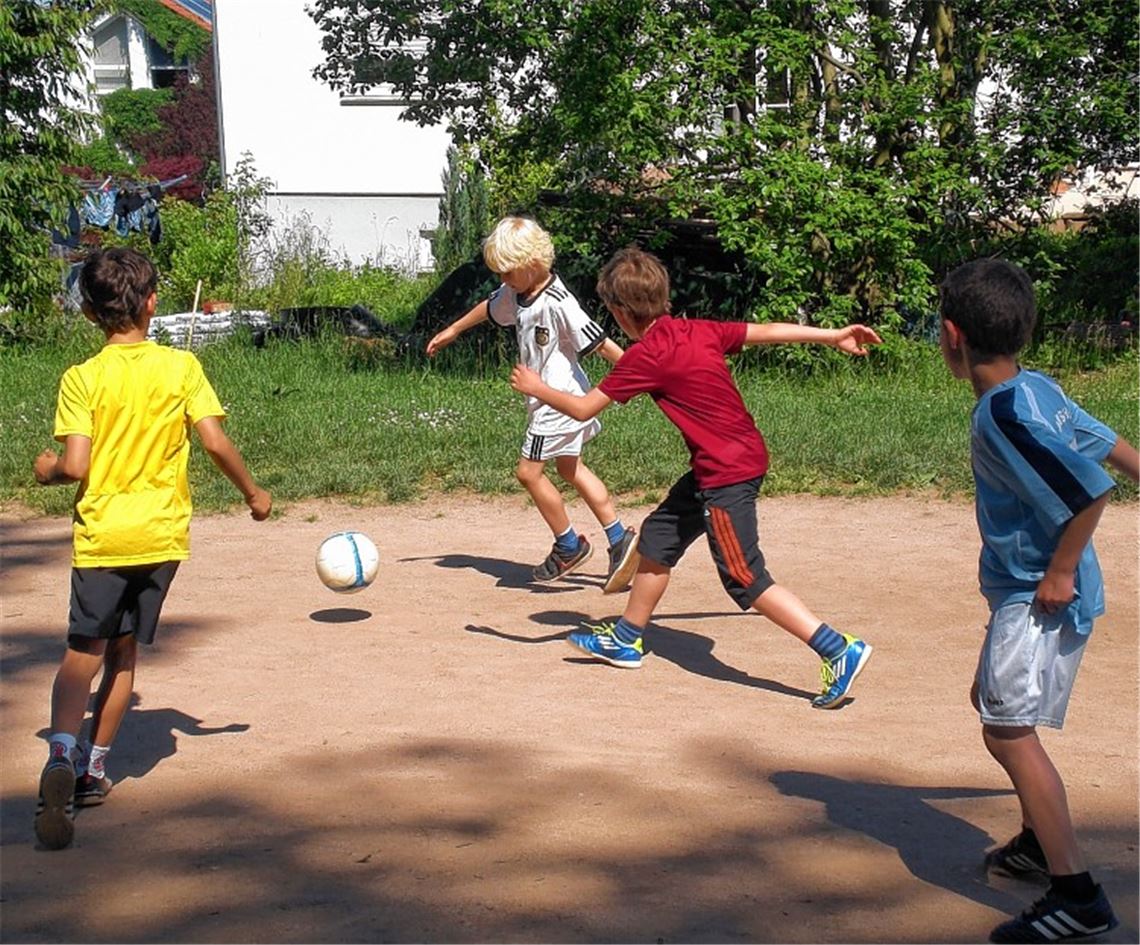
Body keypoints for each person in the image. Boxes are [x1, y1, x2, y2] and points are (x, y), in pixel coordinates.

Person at [510, 245, 880, 709]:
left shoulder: (647, 356)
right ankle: (627, 637)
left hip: (726, 472)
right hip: (727, 459)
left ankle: (836, 647)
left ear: (621, 312)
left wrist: (537, 387)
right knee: (660, 536)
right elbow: (765, 331)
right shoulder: (695, 329)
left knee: (745, 578)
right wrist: (830, 335)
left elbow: (584, 408)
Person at [32, 247, 272, 850]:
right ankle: (93, 771)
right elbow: (215, 441)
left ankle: (61, 753)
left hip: (103, 538)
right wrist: (252, 490)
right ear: (153, 303)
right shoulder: (181, 368)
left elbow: (77, 463)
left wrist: (47, 470)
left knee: (81, 654)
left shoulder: (82, 377)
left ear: (89, 312)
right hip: (161, 536)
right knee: (124, 654)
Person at [938, 257, 1137, 944]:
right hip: (1033, 590)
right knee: (989, 703)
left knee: (1007, 730)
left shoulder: (1002, 414)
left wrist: (1058, 570)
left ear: (952, 335)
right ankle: (1034, 840)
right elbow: (1105, 443)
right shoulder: (1035, 389)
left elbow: (1090, 487)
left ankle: (1077, 892)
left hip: (1040, 595)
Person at [427, 216, 639, 592]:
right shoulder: (518, 291)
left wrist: (643, 370)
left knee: (528, 473)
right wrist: (454, 329)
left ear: (533, 263)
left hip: (557, 402)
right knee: (571, 468)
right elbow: (491, 306)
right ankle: (619, 538)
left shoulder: (560, 303)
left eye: (508, 273)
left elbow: (601, 342)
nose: (503, 281)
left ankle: (569, 545)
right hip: (554, 400)